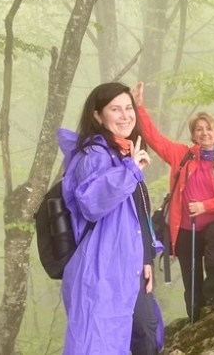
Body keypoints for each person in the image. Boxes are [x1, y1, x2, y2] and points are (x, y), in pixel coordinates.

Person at [57, 82, 163, 354]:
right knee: (102, 341)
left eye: (129, 108)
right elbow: (92, 203)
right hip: (101, 266)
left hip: (130, 263)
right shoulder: (93, 155)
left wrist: (146, 257)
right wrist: (130, 171)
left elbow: (136, 213)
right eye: (115, 109)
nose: (125, 115)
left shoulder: (122, 153)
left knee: (145, 331)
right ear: (97, 116)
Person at [134, 83, 214, 321]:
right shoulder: (182, 155)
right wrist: (138, 107)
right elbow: (154, 139)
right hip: (185, 229)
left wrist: (206, 206)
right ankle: (195, 318)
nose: (204, 133)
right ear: (193, 134)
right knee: (190, 280)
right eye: (198, 129)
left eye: (208, 129)